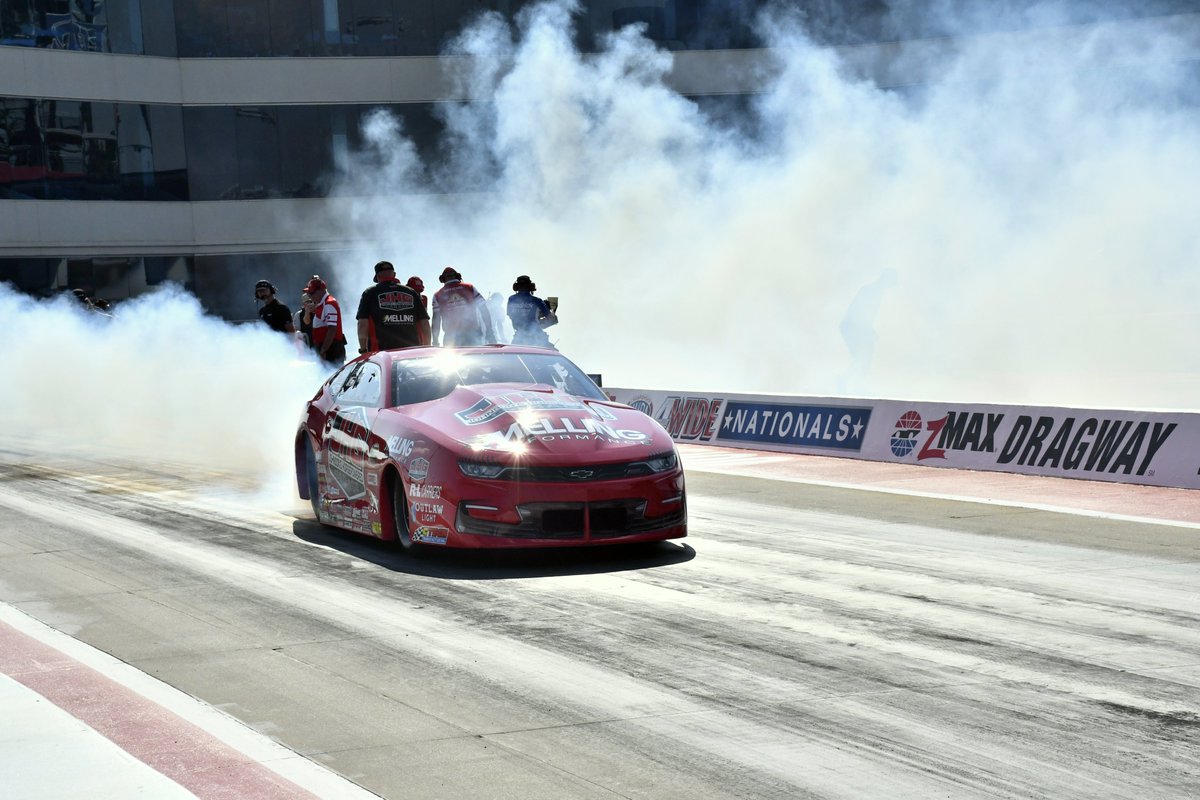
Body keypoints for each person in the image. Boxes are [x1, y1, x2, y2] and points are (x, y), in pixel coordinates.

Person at [356, 260, 430, 354]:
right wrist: (427, 347)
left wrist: (363, 349)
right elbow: (424, 323)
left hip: (381, 353)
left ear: (378, 277)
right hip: (412, 351)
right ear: (394, 275)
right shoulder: (411, 292)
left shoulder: (370, 293)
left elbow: (362, 323)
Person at [431, 267, 494, 347]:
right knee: (476, 358)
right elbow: (483, 309)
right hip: (472, 335)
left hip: (450, 338)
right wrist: (490, 331)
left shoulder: (437, 295)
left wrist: (435, 341)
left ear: (442, 279)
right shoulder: (470, 288)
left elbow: (436, 320)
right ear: (458, 276)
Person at [304, 275, 346, 366]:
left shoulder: (329, 304)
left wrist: (323, 350)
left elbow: (332, 329)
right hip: (327, 348)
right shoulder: (322, 303)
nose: (309, 296)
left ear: (320, 291)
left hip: (331, 350)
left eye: (311, 293)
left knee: (332, 377)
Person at [507, 275, 557, 348]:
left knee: (513, 357)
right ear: (531, 286)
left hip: (519, 338)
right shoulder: (537, 301)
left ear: (516, 286)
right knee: (552, 356)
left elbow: (511, 316)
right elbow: (551, 319)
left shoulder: (511, 299)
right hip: (536, 337)